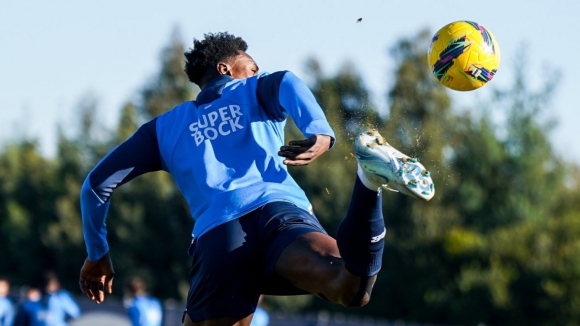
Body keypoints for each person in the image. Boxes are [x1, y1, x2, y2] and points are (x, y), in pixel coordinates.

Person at [78, 32, 435, 326]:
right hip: (280, 216)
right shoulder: (252, 90)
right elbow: (287, 82)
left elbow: (96, 185)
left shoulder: (163, 128)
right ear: (226, 69)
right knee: (351, 287)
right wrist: (320, 133)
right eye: (251, 67)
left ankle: (369, 182)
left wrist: (98, 253)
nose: (256, 72)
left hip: (221, 239)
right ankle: (368, 183)